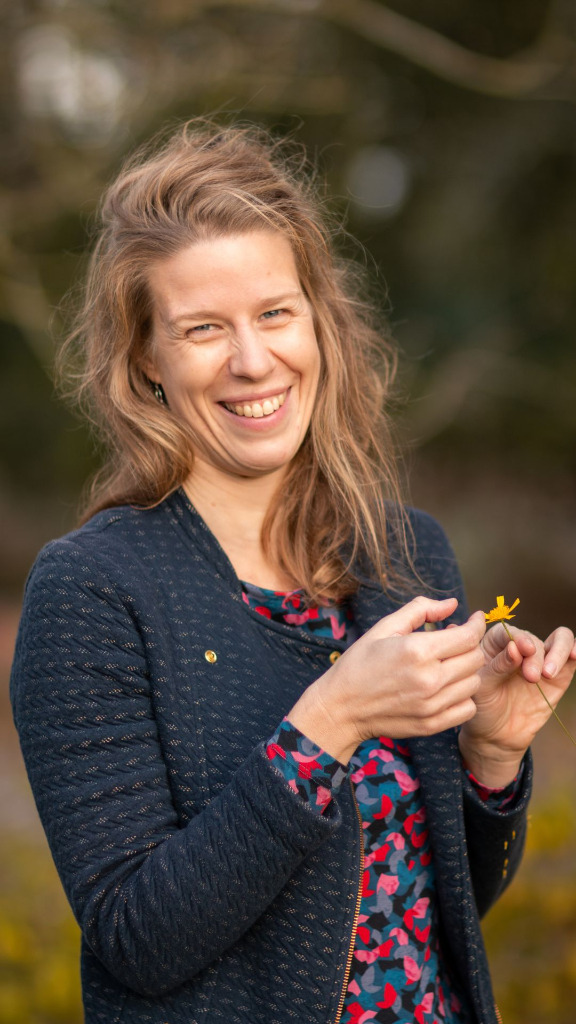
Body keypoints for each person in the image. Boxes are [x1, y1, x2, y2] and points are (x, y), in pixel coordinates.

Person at [10, 121, 576, 1024]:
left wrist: (491, 758)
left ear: (320, 320)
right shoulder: (93, 594)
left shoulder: (406, 556)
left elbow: (439, 908)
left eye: (276, 312)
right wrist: (331, 720)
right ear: (145, 361)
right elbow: (137, 940)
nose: (253, 359)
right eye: (202, 328)